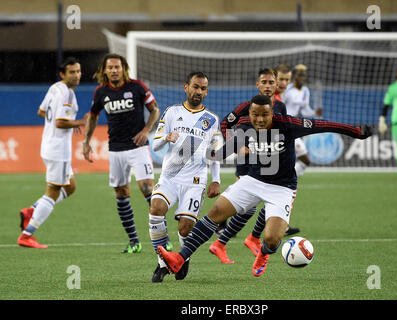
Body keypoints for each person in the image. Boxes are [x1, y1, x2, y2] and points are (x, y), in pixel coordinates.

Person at [157, 94, 372, 278]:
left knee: (271, 238)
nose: (259, 119)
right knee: (215, 213)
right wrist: (199, 151)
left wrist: (356, 131)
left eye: (264, 115)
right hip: (253, 180)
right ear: (249, 113)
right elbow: (223, 152)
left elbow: (323, 125)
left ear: (272, 114)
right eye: (255, 114)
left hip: (282, 188)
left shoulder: (288, 125)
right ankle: (179, 258)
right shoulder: (244, 127)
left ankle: (264, 253)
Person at [209, 68, 291, 264]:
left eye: (272, 82)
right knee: (249, 207)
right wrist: (237, 146)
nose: (269, 86)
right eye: (264, 82)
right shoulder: (246, 107)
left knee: (264, 203)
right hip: (248, 162)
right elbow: (225, 124)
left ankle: (246, 239)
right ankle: (224, 242)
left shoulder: (280, 107)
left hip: (268, 163)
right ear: (258, 84)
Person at [83, 53, 160, 253]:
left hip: (138, 148)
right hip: (115, 149)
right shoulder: (101, 92)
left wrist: (146, 131)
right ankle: (134, 241)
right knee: (121, 193)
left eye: (117, 67)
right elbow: (92, 116)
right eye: (110, 67)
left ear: (123, 68)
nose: (114, 70)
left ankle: (162, 240)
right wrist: (86, 142)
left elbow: (155, 110)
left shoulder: (137, 86)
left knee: (147, 189)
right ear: (105, 70)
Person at [149, 71, 221, 283]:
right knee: (155, 210)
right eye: (195, 87)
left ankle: (183, 256)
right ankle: (162, 264)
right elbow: (155, 143)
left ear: (206, 92)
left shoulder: (212, 120)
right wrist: (166, 138)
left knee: (185, 227)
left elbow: (214, 154)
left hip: (195, 181)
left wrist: (216, 179)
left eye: (203, 88)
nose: (199, 91)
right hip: (170, 176)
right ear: (186, 87)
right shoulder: (172, 112)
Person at [17, 57, 87, 248]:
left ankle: (31, 210)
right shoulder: (67, 94)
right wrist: (80, 122)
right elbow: (60, 122)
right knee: (53, 193)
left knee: (70, 186)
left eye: (79, 71)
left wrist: (68, 121)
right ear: (63, 74)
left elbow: (42, 111)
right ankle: (27, 234)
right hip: (58, 150)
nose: (77, 75)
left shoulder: (55, 88)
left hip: (48, 145)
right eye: (72, 72)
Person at [283, 64, 322, 177]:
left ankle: (286, 179)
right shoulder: (287, 90)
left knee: (305, 161)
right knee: (301, 160)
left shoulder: (305, 91)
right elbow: (278, 105)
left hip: (294, 128)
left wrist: (315, 113)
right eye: (299, 75)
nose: (302, 78)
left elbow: (305, 110)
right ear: (294, 76)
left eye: (303, 75)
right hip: (284, 127)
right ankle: (284, 180)